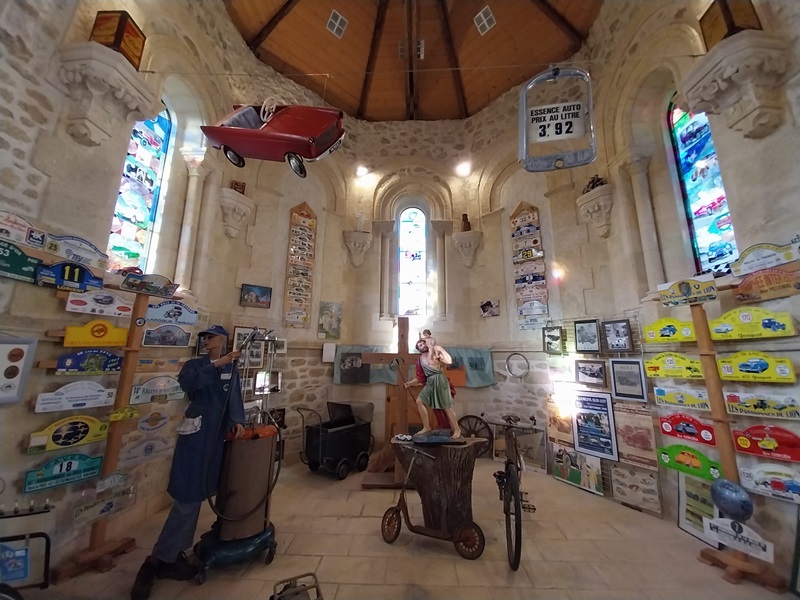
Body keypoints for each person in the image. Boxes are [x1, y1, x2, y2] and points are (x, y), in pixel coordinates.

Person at [131, 325, 246, 600]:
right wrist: (217, 363)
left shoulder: (231, 368)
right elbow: (189, 384)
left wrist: (237, 420)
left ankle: (179, 550)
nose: (207, 341)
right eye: (205, 338)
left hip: (218, 436)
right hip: (197, 434)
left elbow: (233, 395)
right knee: (188, 494)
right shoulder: (195, 365)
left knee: (210, 488)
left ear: (223, 339)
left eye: (212, 337)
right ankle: (164, 556)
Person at [404, 332, 462, 439]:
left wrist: (440, 349)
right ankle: (426, 426)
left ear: (426, 344)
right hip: (430, 382)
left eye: (422, 344)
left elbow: (449, 361)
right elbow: (421, 378)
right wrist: (409, 383)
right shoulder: (420, 361)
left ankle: (457, 430)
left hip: (440, 381)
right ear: (418, 349)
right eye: (419, 346)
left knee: (446, 407)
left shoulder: (435, 353)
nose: (421, 346)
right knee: (419, 401)